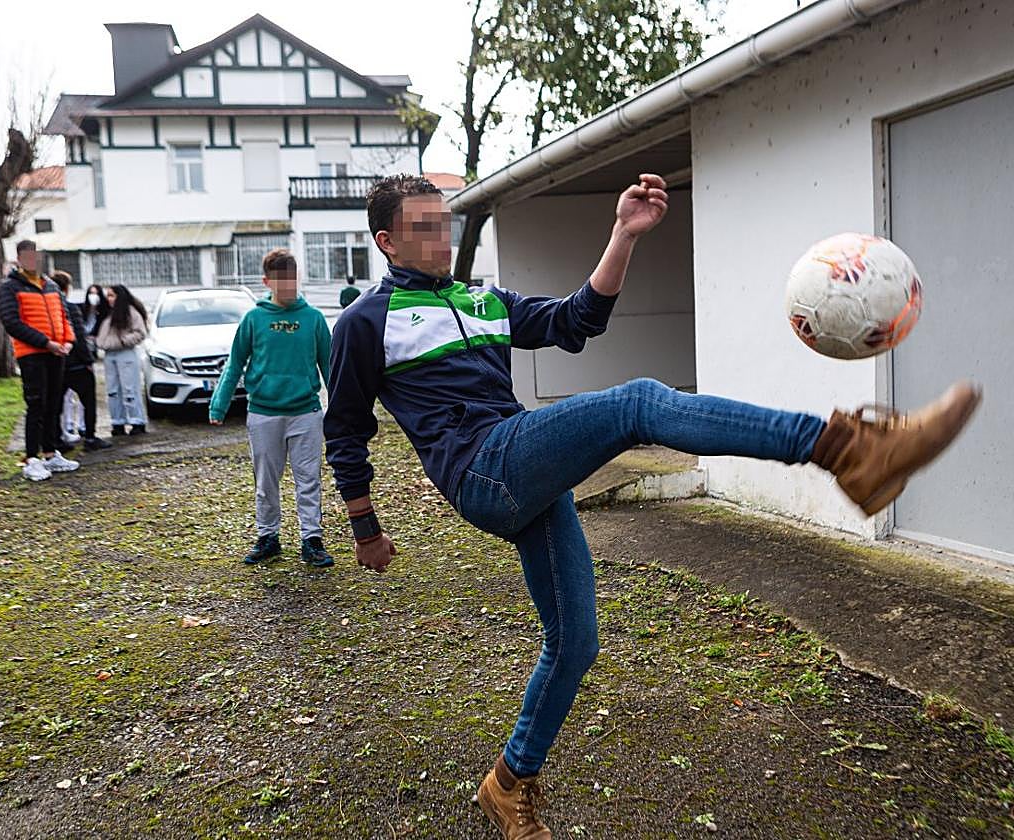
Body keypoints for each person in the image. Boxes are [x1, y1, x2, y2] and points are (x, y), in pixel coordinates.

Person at [323, 173, 981, 839]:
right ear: (387, 241)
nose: (442, 236)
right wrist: (364, 528)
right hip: (482, 470)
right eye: (424, 227)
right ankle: (847, 450)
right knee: (637, 403)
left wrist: (624, 234)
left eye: (445, 222)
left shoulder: (482, 299)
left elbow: (577, 320)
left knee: (575, 643)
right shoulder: (365, 323)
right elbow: (345, 429)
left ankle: (509, 783)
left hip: (522, 464)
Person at [209, 248, 333, 568]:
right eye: (281, 281)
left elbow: (330, 367)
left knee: (308, 479)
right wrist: (219, 405)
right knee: (266, 480)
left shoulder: (314, 319)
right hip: (264, 413)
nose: (288, 286)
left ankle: (312, 539)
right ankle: (268, 536)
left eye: (292, 279)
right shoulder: (254, 319)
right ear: (267, 282)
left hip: (305, 411)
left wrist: (344, 407)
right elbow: (235, 364)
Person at [0, 240, 81, 482]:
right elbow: (12, 322)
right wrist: (45, 342)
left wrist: (68, 341)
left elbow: (65, 316)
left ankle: (50, 453)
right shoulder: (10, 287)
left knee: (54, 403)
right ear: (19, 259)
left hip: (57, 353)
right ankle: (32, 458)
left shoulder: (51, 285)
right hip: (32, 354)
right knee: (36, 404)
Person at [51, 271, 112, 452]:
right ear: (66, 288)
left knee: (56, 404)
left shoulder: (47, 309)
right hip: (77, 363)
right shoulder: (71, 308)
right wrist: (88, 361)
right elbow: (78, 336)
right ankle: (90, 437)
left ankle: (56, 439)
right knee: (88, 401)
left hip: (56, 363)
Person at [96, 285, 149, 436]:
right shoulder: (108, 313)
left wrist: (123, 341)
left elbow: (140, 333)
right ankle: (117, 421)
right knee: (113, 390)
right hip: (110, 354)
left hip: (125, 353)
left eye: (112, 295)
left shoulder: (131, 313)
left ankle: (137, 421)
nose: (109, 299)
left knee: (129, 388)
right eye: (108, 295)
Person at [81, 283, 109, 358]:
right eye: (91, 293)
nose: (93, 296)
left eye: (96, 293)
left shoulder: (105, 310)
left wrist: (96, 336)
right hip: (86, 339)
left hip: (97, 339)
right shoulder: (83, 308)